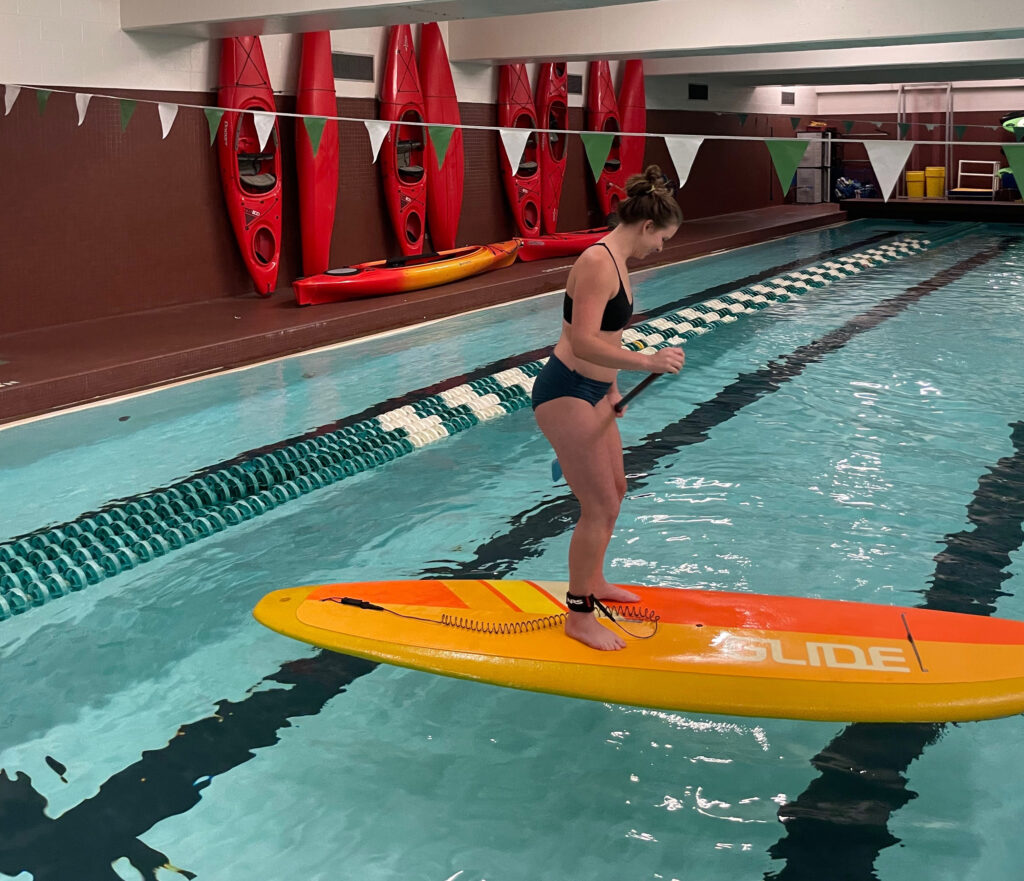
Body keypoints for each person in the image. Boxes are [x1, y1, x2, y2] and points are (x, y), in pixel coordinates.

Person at [531, 165, 686, 651]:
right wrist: (648, 362)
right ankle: (579, 617)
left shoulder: (618, 262)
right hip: (567, 390)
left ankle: (594, 582)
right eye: (662, 239)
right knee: (597, 505)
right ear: (646, 226)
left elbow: (606, 338)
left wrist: (615, 388)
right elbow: (582, 342)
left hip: (596, 390)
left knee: (615, 491)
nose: (660, 248)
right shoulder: (599, 263)